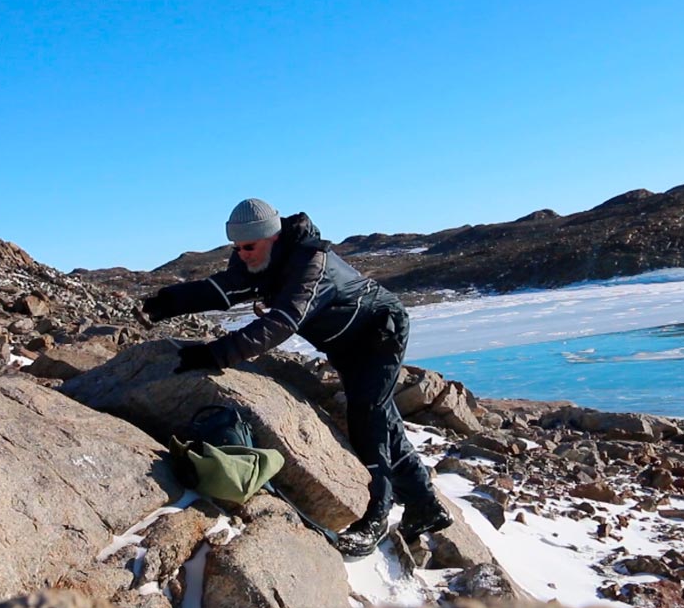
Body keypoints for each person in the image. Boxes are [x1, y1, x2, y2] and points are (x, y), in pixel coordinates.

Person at [139, 198, 453, 557]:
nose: (241, 254)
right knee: (382, 419)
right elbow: (223, 289)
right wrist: (165, 302)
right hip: (346, 342)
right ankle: (425, 507)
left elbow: (281, 323)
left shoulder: (310, 262)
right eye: (236, 247)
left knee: (368, 416)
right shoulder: (258, 257)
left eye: (248, 246)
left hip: (378, 333)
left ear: (271, 237)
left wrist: (215, 353)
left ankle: (376, 515)